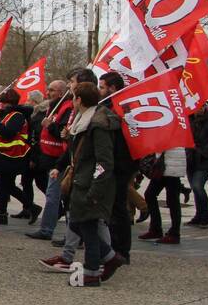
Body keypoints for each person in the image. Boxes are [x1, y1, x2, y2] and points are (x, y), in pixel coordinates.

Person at [62, 82, 122, 288]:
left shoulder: (97, 124)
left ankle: (92, 270)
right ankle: (110, 257)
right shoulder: (84, 121)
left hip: (91, 183)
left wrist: (96, 188)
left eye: (73, 97)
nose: (71, 101)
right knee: (81, 224)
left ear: (79, 100)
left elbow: (104, 161)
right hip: (83, 180)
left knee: (85, 225)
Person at [27, 73, 85, 242]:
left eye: (51, 90)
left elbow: (63, 133)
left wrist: (50, 125)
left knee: (56, 195)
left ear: (60, 93)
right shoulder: (54, 106)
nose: (47, 92)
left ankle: (52, 230)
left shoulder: (67, 107)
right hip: (50, 157)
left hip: (60, 158)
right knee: (56, 195)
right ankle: (64, 233)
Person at [98, 71, 136, 263]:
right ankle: (113, 248)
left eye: (102, 87)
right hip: (112, 163)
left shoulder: (121, 107)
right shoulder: (108, 106)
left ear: (112, 88)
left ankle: (121, 250)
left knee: (118, 207)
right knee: (111, 208)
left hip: (119, 164)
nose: (99, 90)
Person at [0, 88, 37, 224]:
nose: (0, 105)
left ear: (9, 103)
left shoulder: (17, 115)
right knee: (4, 185)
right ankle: (3, 213)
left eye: (2, 102)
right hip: (4, 155)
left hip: (11, 156)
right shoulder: (7, 114)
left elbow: (9, 132)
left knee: (5, 185)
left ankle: (29, 207)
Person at [138, 147, 187, 245]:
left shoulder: (172, 132)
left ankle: (174, 233)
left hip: (171, 165)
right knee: (150, 194)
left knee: (172, 201)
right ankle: (156, 228)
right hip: (164, 165)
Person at [187, 102, 208, 226]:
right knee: (195, 189)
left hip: (204, 159)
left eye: (200, 107)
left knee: (197, 186)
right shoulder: (189, 119)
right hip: (191, 158)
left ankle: (205, 215)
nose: (198, 110)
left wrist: (203, 152)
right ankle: (199, 214)